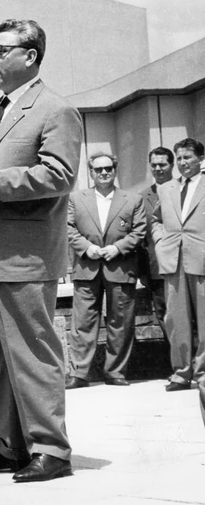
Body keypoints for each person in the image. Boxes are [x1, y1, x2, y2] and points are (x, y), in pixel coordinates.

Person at [0, 19, 82, 483]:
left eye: (0, 50)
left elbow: (59, 176)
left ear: (30, 55)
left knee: (30, 353)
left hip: (24, 256)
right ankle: (10, 443)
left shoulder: (55, 110)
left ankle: (51, 449)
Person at [66, 152, 146, 388]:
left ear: (115, 169)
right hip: (87, 268)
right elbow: (69, 228)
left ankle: (115, 372)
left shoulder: (132, 199)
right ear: (90, 172)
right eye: (98, 169)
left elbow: (139, 231)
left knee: (120, 321)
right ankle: (79, 374)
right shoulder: (76, 199)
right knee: (82, 323)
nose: (103, 173)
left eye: (108, 168)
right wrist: (86, 247)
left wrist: (118, 248)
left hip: (120, 267)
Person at [151, 137, 205, 392]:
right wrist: (161, 240)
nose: (183, 163)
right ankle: (181, 372)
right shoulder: (166, 188)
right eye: (180, 158)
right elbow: (155, 219)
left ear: (200, 159)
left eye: (188, 157)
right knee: (176, 319)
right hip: (173, 260)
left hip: (202, 258)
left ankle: (203, 372)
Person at [140, 147, 175, 340]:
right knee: (163, 314)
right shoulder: (142, 197)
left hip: (186, 268)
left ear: (172, 165)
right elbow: (140, 237)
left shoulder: (185, 190)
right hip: (157, 269)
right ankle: (177, 363)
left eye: (162, 164)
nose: (158, 168)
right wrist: (143, 272)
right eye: (154, 165)